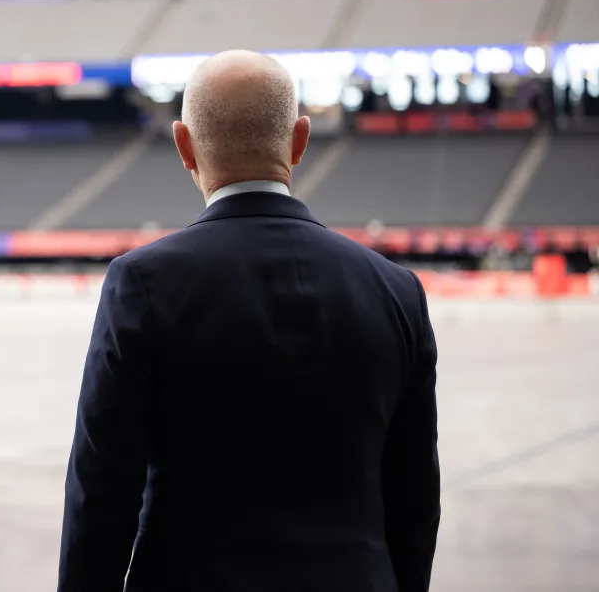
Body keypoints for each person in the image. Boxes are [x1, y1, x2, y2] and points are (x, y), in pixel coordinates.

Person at [59, 50, 440, 592]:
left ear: (184, 145)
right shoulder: (396, 291)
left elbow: (101, 492)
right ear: (300, 140)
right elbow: (415, 500)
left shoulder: (143, 284)